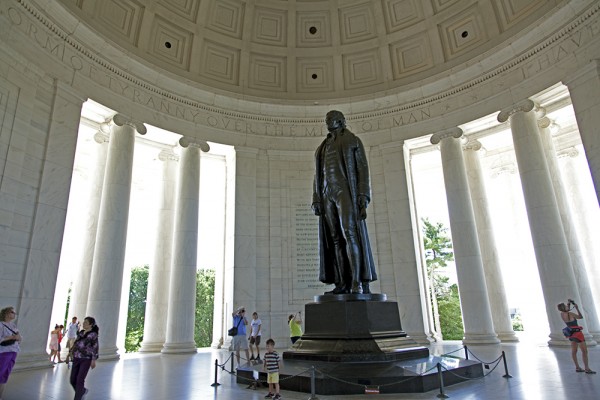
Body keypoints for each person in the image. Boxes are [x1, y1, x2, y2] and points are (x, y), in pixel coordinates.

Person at [312, 110, 377, 294]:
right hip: (327, 193)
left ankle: (357, 281)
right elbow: (318, 175)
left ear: (340, 121)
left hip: (345, 191)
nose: (327, 121)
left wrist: (363, 196)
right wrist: (316, 197)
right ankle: (342, 283)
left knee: (350, 234)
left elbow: (362, 169)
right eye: (326, 119)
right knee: (335, 240)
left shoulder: (352, 140)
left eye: (330, 119)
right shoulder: (323, 147)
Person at [558, 299, 596, 374]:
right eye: (565, 306)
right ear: (564, 308)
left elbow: (566, 311)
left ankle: (577, 367)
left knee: (574, 351)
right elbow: (580, 317)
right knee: (584, 351)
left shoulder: (562, 314)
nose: (567, 306)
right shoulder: (570, 314)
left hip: (571, 334)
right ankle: (587, 368)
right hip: (578, 334)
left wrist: (568, 304)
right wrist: (577, 308)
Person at [70, 316, 99, 400]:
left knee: (80, 379)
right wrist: (70, 353)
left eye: (86, 322)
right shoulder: (81, 332)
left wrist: (93, 360)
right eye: (84, 322)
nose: (83, 323)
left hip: (86, 359)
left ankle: (77, 398)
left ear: (91, 325)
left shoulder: (93, 334)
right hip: (76, 357)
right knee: (72, 380)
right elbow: (76, 343)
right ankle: (82, 391)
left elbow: (95, 347)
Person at [0, 307, 22, 400]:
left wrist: (18, 338)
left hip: (14, 351)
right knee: (0, 373)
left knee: (5, 375)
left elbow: (19, 338)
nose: (14, 314)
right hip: (4, 352)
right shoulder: (1, 325)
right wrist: (11, 337)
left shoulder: (13, 325)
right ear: (6, 313)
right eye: (12, 312)